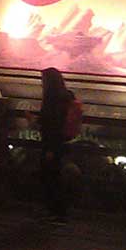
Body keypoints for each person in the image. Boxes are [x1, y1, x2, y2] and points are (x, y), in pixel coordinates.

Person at [37, 67, 76, 224]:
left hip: (52, 143)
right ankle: (56, 212)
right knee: (54, 177)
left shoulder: (53, 98)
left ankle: (57, 213)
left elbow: (52, 123)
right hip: (58, 143)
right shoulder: (64, 97)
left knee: (51, 178)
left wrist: (51, 149)